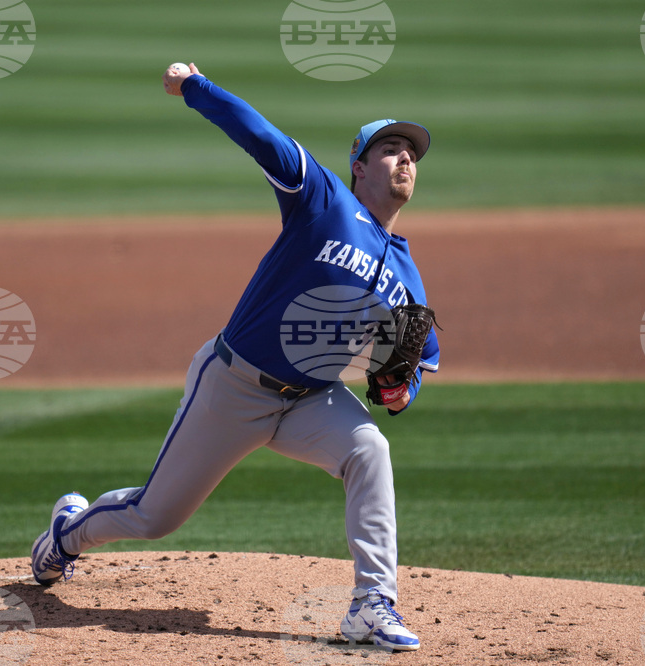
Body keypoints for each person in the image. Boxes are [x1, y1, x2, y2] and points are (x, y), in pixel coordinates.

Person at [30, 62, 440, 652]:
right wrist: (195, 88)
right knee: (156, 517)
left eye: (412, 153)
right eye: (390, 148)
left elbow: (418, 364)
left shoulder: (406, 274)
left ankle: (371, 605)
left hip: (312, 400)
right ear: (359, 164)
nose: (405, 159)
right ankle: (67, 535)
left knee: (370, 448)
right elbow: (261, 136)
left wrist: (402, 391)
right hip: (236, 383)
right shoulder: (323, 198)